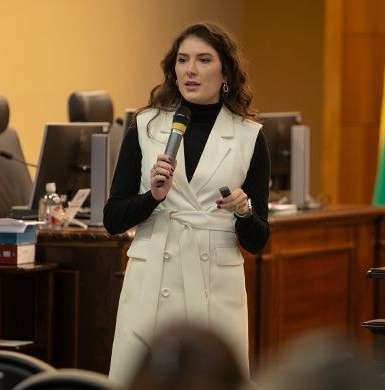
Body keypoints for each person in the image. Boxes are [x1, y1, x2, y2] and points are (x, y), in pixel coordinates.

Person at [103, 22, 271, 385]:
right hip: (153, 274)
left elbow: (259, 241)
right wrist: (153, 198)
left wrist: (244, 212)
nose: (190, 69)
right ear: (173, 69)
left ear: (225, 72)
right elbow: (113, 219)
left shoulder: (249, 136)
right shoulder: (146, 126)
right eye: (182, 60)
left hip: (216, 282)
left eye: (203, 59)